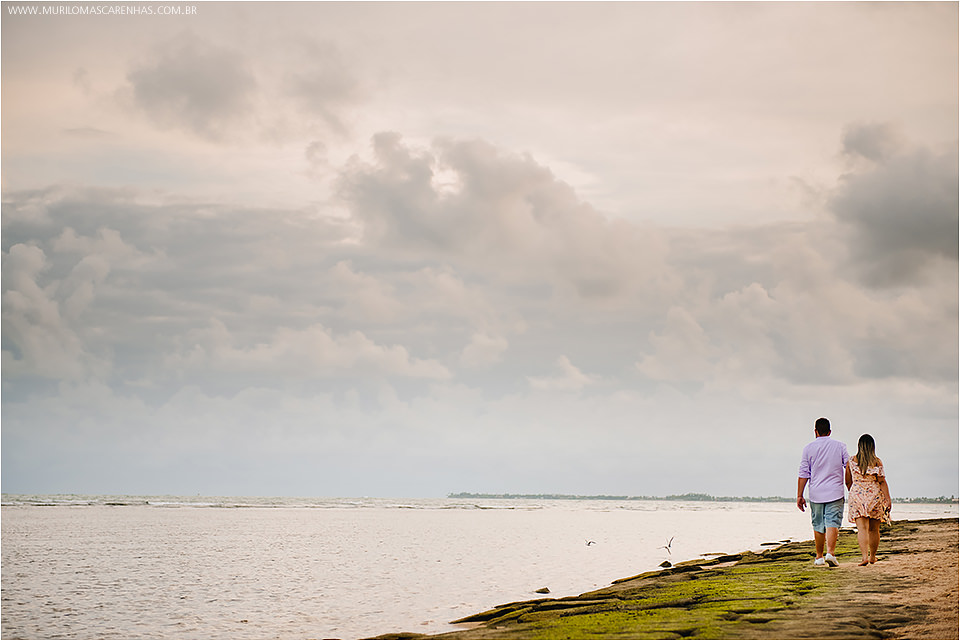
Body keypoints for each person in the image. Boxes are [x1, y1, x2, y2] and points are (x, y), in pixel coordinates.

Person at [797, 417, 848, 567]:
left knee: (818, 524)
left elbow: (804, 473)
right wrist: (850, 485)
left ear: (815, 431)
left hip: (816, 493)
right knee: (832, 522)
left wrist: (800, 495)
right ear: (830, 431)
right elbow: (849, 467)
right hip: (835, 491)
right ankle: (830, 553)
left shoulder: (808, 448)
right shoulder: (840, 446)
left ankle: (819, 557)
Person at [845, 434, 892, 566]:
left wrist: (855, 491)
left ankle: (864, 556)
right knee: (873, 529)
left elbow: (847, 481)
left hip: (857, 495)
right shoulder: (877, 462)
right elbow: (882, 481)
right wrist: (888, 499)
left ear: (859, 446)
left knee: (862, 529)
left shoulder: (851, 461)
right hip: (874, 496)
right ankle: (872, 557)